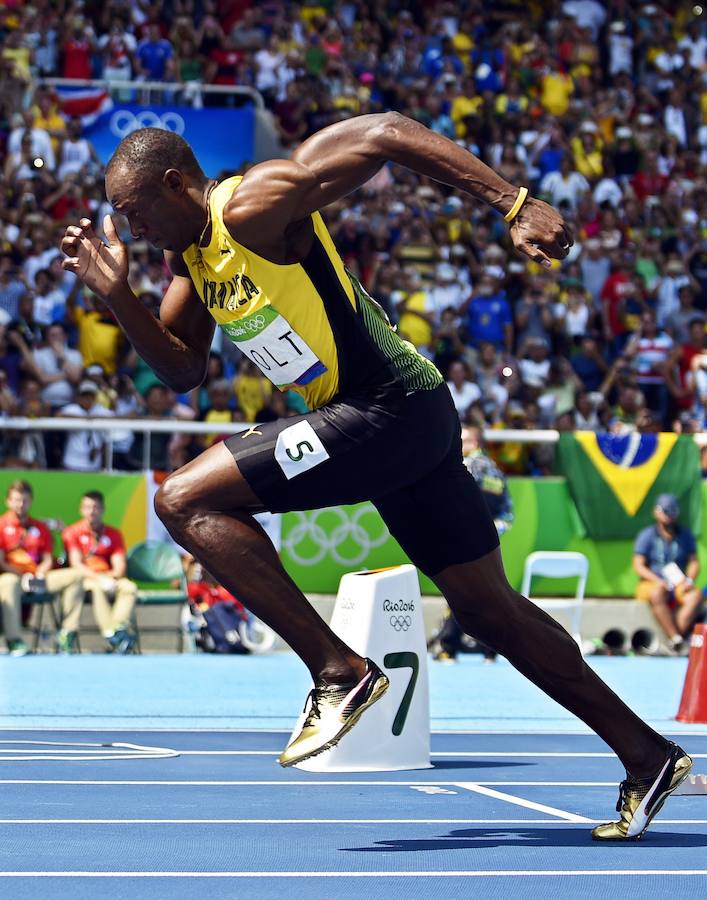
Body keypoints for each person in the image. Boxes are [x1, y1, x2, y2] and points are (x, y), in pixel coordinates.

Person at [61, 114, 690, 841]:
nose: (130, 232)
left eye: (135, 214)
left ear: (176, 183)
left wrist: (514, 205)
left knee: (182, 498)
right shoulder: (193, 262)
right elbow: (180, 369)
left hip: (387, 407)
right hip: (395, 423)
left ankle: (338, 671)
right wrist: (119, 297)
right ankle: (646, 754)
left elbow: (386, 132)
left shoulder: (255, 203)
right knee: (487, 612)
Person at [435, 424, 514, 664]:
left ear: (475, 444)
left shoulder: (463, 467)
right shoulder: (497, 473)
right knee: (490, 593)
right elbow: (508, 515)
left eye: (464, 440)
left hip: (462, 538)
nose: (458, 444)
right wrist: (490, 531)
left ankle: (449, 647)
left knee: (459, 593)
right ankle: (491, 650)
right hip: (489, 542)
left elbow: (452, 503)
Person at [0, 480, 84, 654]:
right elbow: (1, 562)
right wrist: (22, 576)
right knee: (8, 583)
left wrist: (39, 573)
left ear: (30, 501)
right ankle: (14, 640)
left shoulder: (40, 527)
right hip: (12, 577)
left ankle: (67, 634)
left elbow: (47, 559)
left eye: (24, 500)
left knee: (76, 576)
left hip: (37, 579)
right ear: (7, 501)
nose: (21, 504)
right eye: (16, 500)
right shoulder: (1, 525)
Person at [63, 490, 138, 653]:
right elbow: (76, 565)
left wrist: (109, 578)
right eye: (88, 507)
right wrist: (99, 579)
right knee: (96, 588)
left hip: (110, 578)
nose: (92, 511)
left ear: (103, 509)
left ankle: (118, 627)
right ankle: (110, 633)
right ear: (81, 509)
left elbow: (119, 568)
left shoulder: (114, 534)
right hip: (86, 579)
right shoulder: (72, 532)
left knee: (129, 587)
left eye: (96, 507)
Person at [633, 494, 703, 655]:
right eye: (665, 511)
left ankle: (674, 638)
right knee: (657, 592)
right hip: (653, 583)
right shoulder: (647, 535)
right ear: (656, 512)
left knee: (696, 596)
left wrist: (689, 580)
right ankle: (677, 639)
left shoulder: (685, 535)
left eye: (672, 511)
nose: (669, 515)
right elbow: (639, 565)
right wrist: (657, 580)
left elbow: (693, 561)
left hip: (677, 583)